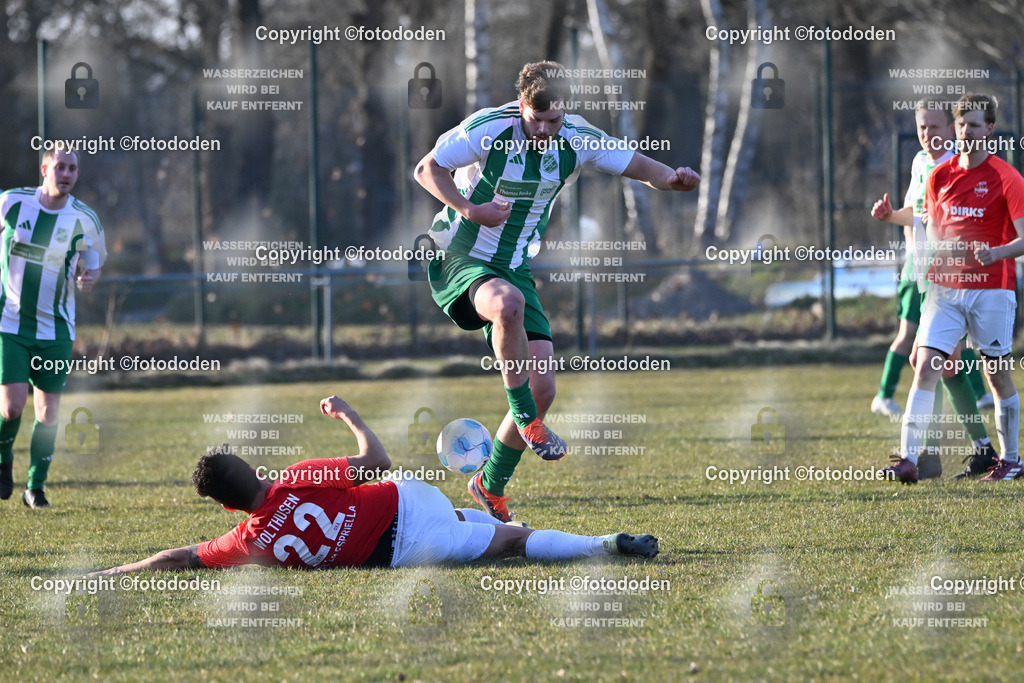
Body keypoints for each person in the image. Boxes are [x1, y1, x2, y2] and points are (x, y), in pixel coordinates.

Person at [413, 61, 699, 521]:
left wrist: (671, 179)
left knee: (543, 387)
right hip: (459, 257)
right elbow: (427, 169)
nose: (545, 129)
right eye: (536, 119)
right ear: (522, 105)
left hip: (513, 266)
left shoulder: (578, 138)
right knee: (507, 305)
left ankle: (489, 486)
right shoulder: (489, 129)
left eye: (554, 121)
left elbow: (638, 165)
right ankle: (526, 420)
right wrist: (471, 210)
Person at [85, 396, 658, 576]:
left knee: (503, 540)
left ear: (227, 504)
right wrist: (350, 415)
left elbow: (180, 557)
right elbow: (376, 460)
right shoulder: (295, 477)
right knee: (508, 538)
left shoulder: (245, 544)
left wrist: (119, 572)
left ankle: (598, 543)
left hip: (404, 550)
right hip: (410, 500)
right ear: (255, 473)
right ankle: (604, 544)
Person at [884, 93, 1024, 483]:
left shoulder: (1006, 177)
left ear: (990, 129)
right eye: (961, 124)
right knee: (926, 364)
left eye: (975, 125)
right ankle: (908, 459)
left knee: (995, 374)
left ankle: (1010, 460)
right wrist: (927, 259)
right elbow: (929, 229)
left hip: (991, 289)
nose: (965, 132)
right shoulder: (938, 176)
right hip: (945, 290)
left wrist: (994, 252)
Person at [0, 147, 105, 508]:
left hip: (56, 330)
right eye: (59, 166)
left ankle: (35, 486)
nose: (66, 173)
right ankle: (2, 461)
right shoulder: (11, 203)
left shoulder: (84, 219)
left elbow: (93, 264)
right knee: (11, 407)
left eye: (72, 168)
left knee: (48, 413)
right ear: (44, 168)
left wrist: (89, 276)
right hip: (10, 324)